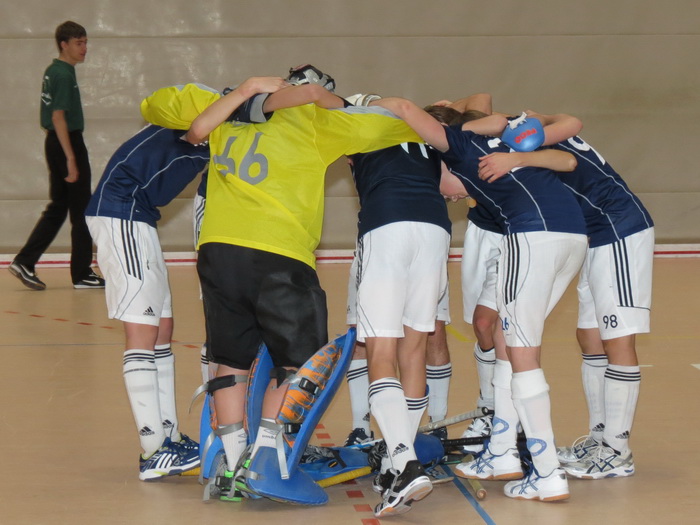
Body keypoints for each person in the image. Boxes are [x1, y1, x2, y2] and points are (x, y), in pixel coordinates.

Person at [140, 66, 424, 506]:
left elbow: (153, 104)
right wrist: (351, 104)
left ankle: (230, 464)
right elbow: (401, 124)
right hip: (280, 252)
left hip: (217, 250)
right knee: (298, 362)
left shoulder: (224, 107)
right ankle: (266, 460)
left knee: (231, 358)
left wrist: (238, 95)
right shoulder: (318, 121)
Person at [370, 96, 587, 502]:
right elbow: (567, 161)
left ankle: (547, 473)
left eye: (439, 186)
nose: (450, 198)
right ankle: (502, 451)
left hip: (534, 234)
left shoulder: (456, 144)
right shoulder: (497, 141)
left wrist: (361, 108)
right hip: (572, 235)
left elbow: (404, 108)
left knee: (522, 350)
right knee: (506, 338)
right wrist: (519, 158)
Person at [477, 111, 654, 479]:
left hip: (619, 228)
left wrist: (517, 155)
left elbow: (567, 154)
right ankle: (599, 439)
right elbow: (568, 121)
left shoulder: (524, 141)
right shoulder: (532, 131)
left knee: (618, 338)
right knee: (589, 336)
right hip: (593, 235)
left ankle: (617, 450)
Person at [342, 103, 469, 517]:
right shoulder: (426, 133)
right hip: (435, 230)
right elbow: (453, 181)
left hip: (387, 224)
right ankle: (399, 462)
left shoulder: (357, 130)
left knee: (381, 350)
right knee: (413, 350)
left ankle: (404, 463)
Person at [85, 116, 219, 479]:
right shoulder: (205, 116)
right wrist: (253, 91)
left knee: (162, 327)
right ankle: (153, 449)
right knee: (142, 332)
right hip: (120, 212)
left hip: (140, 217)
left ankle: (168, 437)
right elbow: (197, 130)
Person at [9, 21, 104, 291]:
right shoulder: (62, 74)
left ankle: (25, 261)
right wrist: (71, 158)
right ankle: (81, 273)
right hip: (66, 142)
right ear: (64, 44)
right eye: (78, 43)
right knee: (81, 209)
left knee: (60, 206)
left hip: (58, 143)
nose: (84, 48)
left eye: (85, 42)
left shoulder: (57, 70)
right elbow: (58, 117)